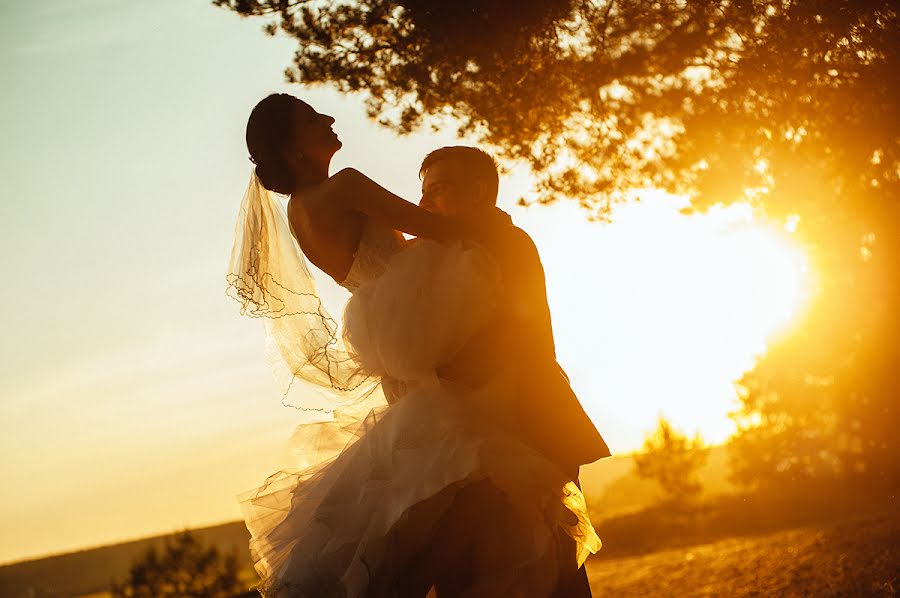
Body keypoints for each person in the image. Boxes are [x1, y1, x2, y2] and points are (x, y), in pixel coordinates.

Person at [227, 93, 602, 597]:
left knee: (417, 490)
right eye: (315, 119)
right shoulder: (346, 185)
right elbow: (438, 227)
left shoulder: (299, 213)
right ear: (295, 149)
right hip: (418, 315)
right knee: (466, 484)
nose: (330, 119)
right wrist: (490, 220)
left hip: (389, 328)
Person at [389, 146, 609, 597]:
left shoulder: (504, 243)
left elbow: (504, 340)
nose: (425, 204)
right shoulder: (455, 248)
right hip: (481, 427)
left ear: (478, 194)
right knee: (479, 563)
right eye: (423, 192)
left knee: (547, 558)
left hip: (529, 418)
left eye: (439, 190)